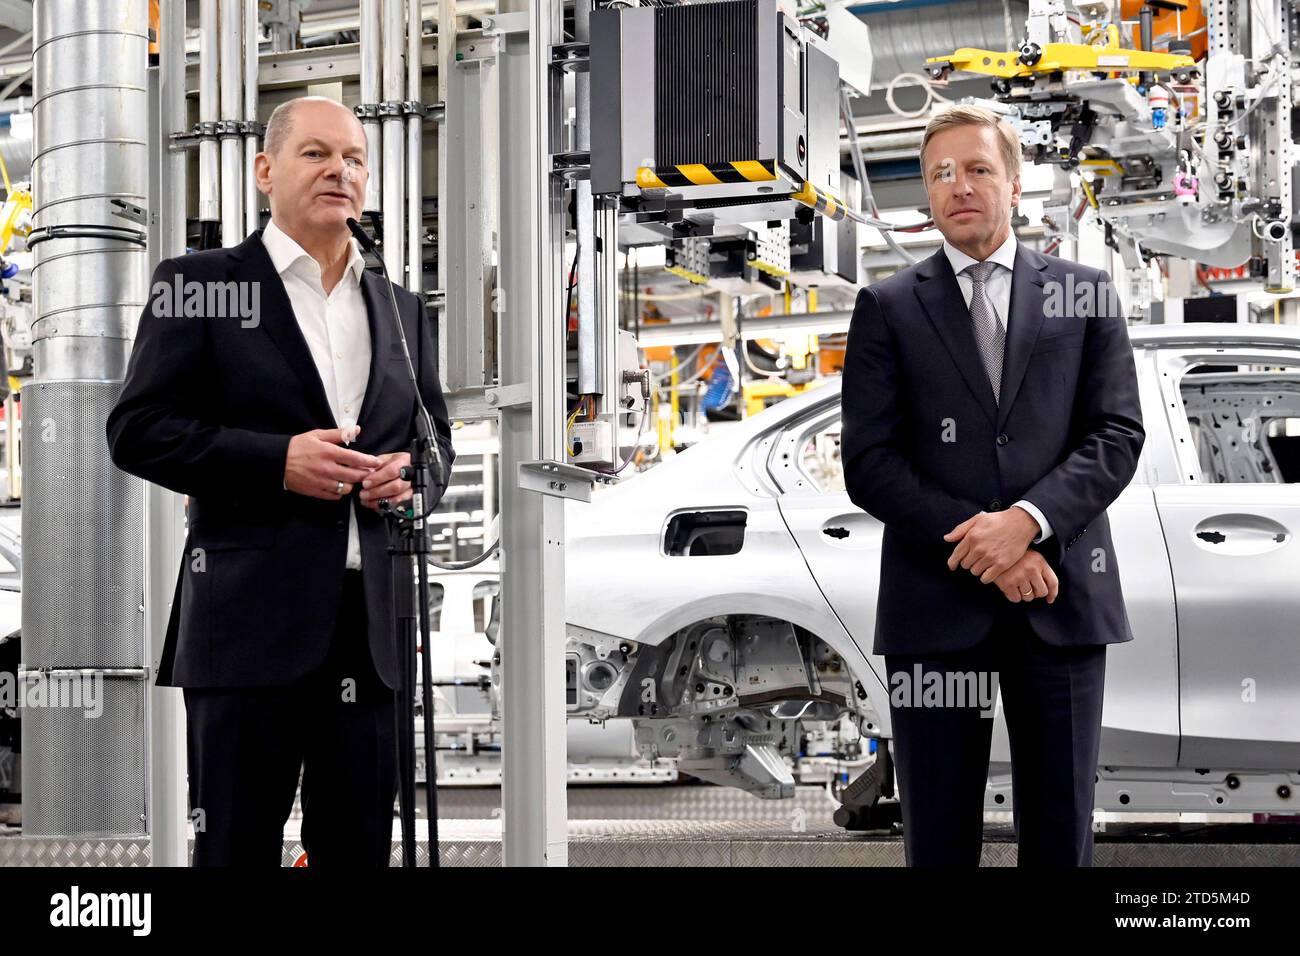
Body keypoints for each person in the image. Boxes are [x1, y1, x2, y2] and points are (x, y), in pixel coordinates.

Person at [106, 96, 456, 867]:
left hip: (372, 636)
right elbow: (137, 430)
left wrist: (409, 481)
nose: (341, 170)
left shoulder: (400, 307)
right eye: (317, 154)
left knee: (358, 849)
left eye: (356, 158)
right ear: (265, 170)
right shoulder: (197, 283)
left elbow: (436, 444)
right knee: (233, 848)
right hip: (246, 628)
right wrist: (277, 462)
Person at [840, 104, 1144, 866]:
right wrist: (991, 543)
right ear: (927, 196)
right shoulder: (888, 307)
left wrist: (1029, 522)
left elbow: (1116, 435)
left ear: (1014, 184)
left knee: (1060, 834)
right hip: (935, 614)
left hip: (1060, 599)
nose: (958, 186)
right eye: (941, 173)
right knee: (938, 839)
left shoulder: (1086, 293)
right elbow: (870, 463)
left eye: (977, 168)